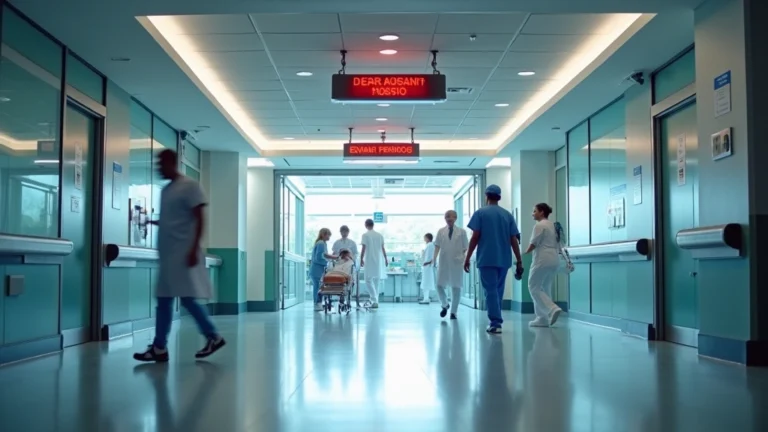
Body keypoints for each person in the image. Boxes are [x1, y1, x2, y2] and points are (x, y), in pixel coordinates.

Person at [134, 149, 226, 362]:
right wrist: (150, 222)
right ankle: (159, 347)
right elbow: (172, 221)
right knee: (165, 301)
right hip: (168, 257)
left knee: (187, 299)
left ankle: (213, 336)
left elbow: (200, 218)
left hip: (183, 254)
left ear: (172, 162)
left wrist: (194, 248)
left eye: (161, 163)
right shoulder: (167, 190)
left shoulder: (190, 187)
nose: (158, 168)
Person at [464, 184, 523, 334]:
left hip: (487, 258)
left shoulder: (480, 213)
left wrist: (468, 257)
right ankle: (496, 320)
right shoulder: (507, 215)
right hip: (503, 259)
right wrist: (519, 260)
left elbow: (475, 237)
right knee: (498, 290)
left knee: (490, 290)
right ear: (499, 197)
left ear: (486, 196)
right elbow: (513, 239)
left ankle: (495, 322)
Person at [525, 203, 563, 327]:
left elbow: (533, 244)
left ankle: (551, 309)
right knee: (545, 288)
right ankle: (542, 318)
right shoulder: (553, 225)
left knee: (533, 287)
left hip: (542, 259)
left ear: (541, 212)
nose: (532, 213)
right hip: (554, 259)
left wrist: (523, 253)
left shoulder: (539, 226)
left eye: (534, 211)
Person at [434, 210, 468, 319]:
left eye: (450, 216)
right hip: (443, 262)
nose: (448, 218)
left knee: (456, 287)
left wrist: (463, 259)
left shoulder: (462, 232)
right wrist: (434, 259)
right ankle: (445, 304)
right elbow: (437, 246)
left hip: (456, 262)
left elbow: (465, 247)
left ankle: (453, 312)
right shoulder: (440, 231)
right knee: (439, 285)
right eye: (446, 216)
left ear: (455, 218)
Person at [360, 218, 388, 309]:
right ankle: (376, 301)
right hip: (379, 260)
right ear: (373, 225)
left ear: (365, 225)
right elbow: (383, 248)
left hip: (369, 259)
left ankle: (374, 299)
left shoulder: (365, 235)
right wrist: (386, 259)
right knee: (376, 280)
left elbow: (363, 248)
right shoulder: (379, 235)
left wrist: (361, 259)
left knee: (368, 279)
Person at [310, 228, 337, 311]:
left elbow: (323, 255)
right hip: (317, 269)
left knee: (317, 286)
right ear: (323, 234)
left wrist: (330, 257)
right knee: (318, 287)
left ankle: (317, 303)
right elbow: (319, 257)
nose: (329, 237)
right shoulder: (321, 243)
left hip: (317, 269)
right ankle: (317, 303)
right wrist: (328, 262)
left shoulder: (322, 243)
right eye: (328, 235)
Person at [420, 233, 436, 305]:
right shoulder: (430, 245)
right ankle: (426, 298)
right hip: (427, 266)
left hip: (427, 266)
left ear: (427, 238)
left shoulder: (430, 245)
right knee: (426, 282)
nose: (424, 239)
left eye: (425, 238)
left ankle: (426, 298)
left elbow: (430, 256)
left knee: (426, 282)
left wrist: (427, 262)